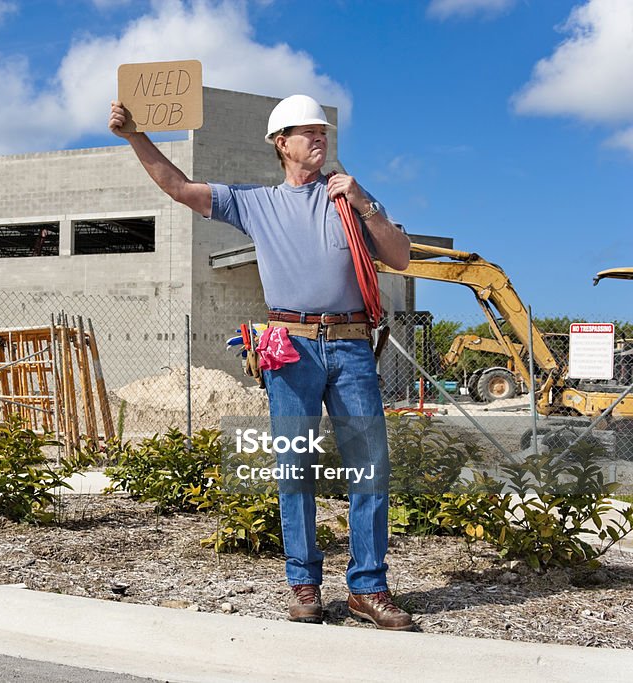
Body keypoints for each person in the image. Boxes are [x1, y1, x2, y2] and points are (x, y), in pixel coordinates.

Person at [108, 94, 415, 630]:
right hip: (290, 346)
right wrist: (136, 135)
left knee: (370, 468)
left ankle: (369, 588)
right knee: (294, 468)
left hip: (350, 345)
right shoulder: (256, 202)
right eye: (306, 132)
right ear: (281, 142)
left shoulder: (347, 200)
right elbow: (180, 188)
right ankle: (304, 585)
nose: (319, 139)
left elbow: (400, 256)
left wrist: (365, 202)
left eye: (323, 131)